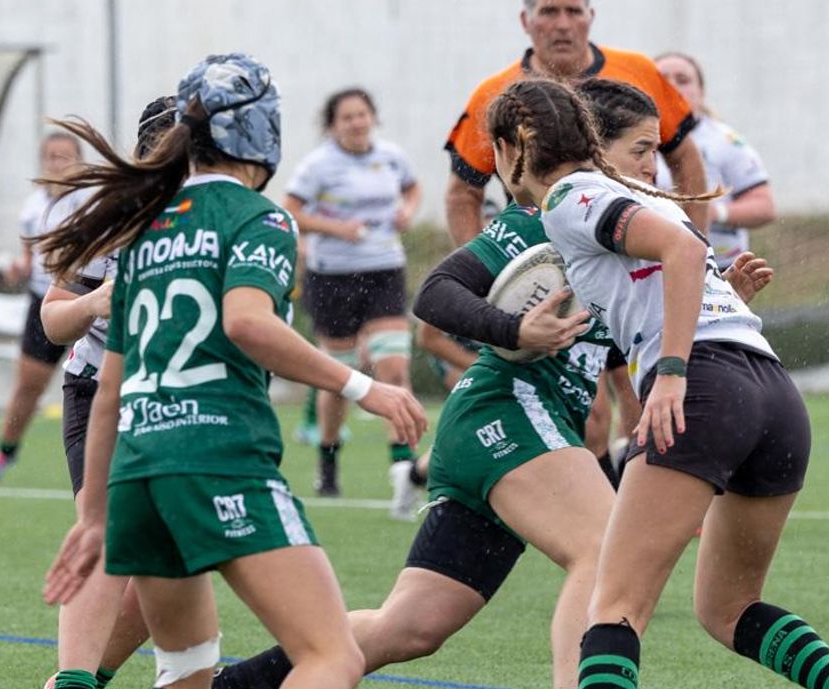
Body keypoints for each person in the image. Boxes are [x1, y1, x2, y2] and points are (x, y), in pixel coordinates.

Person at [183, 79, 767, 689]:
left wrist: (722, 295)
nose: (652, 167)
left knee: (412, 626)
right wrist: (516, 330)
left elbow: (621, 336)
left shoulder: (618, 237)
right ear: (594, 150)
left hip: (504, 432)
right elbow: (436, 295)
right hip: (506, 412)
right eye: (640, 151)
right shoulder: (549, 218)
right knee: (604, 546)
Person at [483, 78, 829, 689]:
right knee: (728, 608)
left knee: (613, 604)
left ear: (516, 143)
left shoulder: (569, 197)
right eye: (644, 147)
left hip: (706, 390)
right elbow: (673, 271)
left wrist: (676, 371)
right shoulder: (626, 195)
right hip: (773, 393)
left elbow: (681, 253)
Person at [39, 54, 425, 689]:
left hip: (140, 463)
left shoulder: (142, 229)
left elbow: (106, 385)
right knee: (329, 650)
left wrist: (97, 512)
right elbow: (248, 323)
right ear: (261, 131)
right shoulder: (259, 217)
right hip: (217, 458)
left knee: (186, 676)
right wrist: (362, 385)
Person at [32, 96, 178, 689]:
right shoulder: (108, 219)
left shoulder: (231, 219)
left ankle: (80, 685)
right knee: (111, 537)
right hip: (100, 393)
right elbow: (54, 318)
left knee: (175, 563)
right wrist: (95, 302)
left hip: (184, 401)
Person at [443, 0, 708, 244]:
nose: (562, 25)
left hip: (633, 245)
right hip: (540, 257)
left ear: (590, 16)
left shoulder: (639, 71)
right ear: (525, 20)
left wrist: (695, 243)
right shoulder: (494, 93)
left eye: (573, 11)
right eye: (548, 12)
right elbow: (462, 194)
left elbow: (685, 158)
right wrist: (487, 277)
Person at [282, 88, 422, 499]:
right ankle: (328, 460)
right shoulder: (318, 165)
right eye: (347, 117)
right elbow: (290, 211)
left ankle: (404, 467)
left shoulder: (391, 156)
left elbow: (412, 189)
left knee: (394, 367)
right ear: (333, 125)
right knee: (338, 378)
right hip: (333, 277)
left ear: (373, 117)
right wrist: (337, 229)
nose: (357, 122)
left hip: (384, 269)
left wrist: (407, 212)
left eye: (362, 115)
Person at [0, 132, 86, 486]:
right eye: (51, 156)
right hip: (44, 302)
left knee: (99, 380)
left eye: (65, 156)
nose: (57, 163)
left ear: (79, 161)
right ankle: (5, 451)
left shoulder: (90, 202)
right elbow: (29, 257)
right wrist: (20, 268)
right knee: (28, 386)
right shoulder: (32, 208)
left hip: (87, 299)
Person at [653, 52, 777, 270]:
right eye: (662, 80)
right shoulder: (630, 137)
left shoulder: (725, 141)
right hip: (653, 267)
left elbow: (764, 207)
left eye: (683, 80)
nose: (672, 86)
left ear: (701, 93)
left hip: (719, 269)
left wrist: (713, 212)